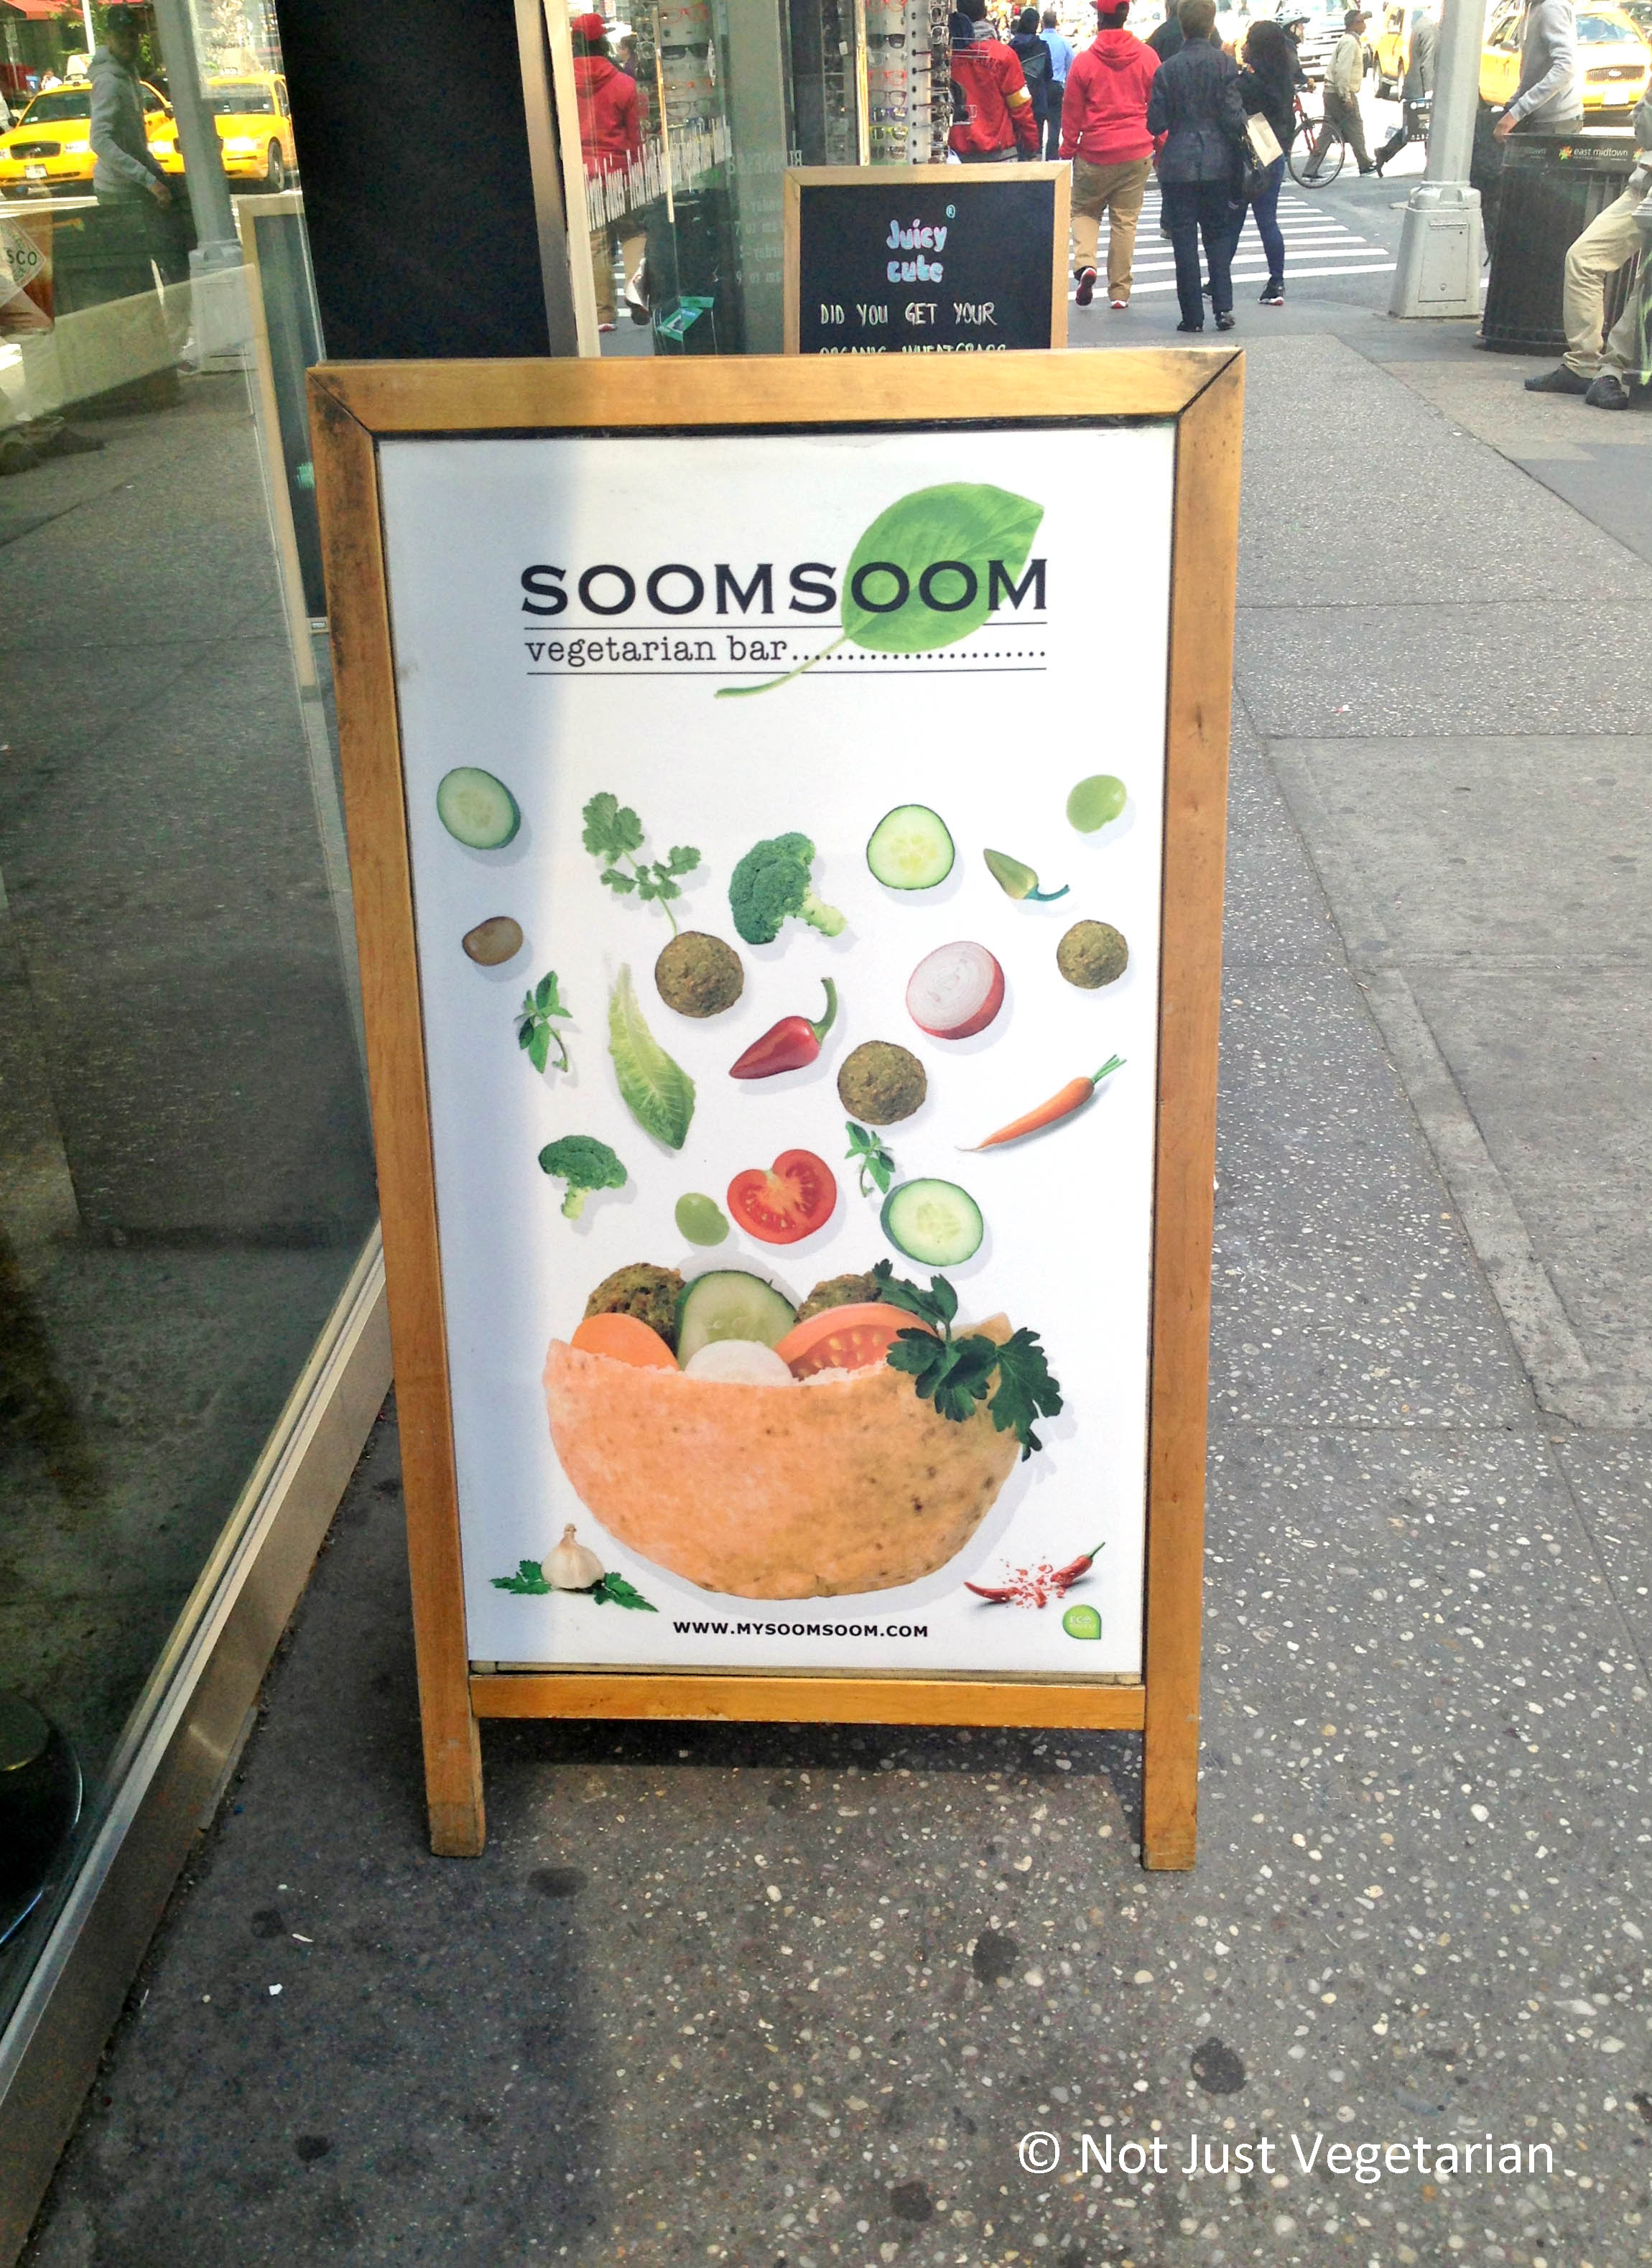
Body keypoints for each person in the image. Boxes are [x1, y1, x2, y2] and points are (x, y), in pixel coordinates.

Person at [1524, 91, 1652, 402]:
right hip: (1643, 186)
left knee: (1646, 283)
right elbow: (1645, 132)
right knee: (1584, 258)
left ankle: (1610, 370)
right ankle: (1583, 365)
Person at [1146, 0, 1245, 331]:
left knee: (1184, 241)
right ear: (1211, 24)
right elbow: (1234, 118)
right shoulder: (1224, 64)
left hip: (1178, 164)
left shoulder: (1167, 70)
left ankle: (1192, 316)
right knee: (1217, 236)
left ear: (1182, 27)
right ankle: (1223, 308)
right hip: (1218, 162)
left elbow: (1155, 122)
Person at [1062, 0, 1159, 308]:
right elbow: (1158, 105)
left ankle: (1085, 264)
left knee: (1084, 211)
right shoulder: (1147, 57)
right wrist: (1160, 142)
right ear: (1125, 16)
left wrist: (1068, 147)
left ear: (1099, 18)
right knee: (1125, 221)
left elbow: (1072, 111)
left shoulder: (1085, 62)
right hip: (1137, 150)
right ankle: (1119, 292)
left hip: (1095, 152)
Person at [570, 11, 646, 333]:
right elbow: (635, 136)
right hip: (618, 171)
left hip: (582, 174)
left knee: (595, 243)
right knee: (632, 233)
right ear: (603, 42)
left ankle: (603, 315)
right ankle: (636, 291)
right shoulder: (624, 84)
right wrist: (640, 171)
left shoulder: (562, 84)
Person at [1228, 16, 1294, 305]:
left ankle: (1217, 279)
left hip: (1248, 152)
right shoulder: (1283, 78)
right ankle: (1276, 281)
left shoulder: (1248, 83)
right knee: (1268, 221)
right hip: (1272, 149)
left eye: (1248, 43)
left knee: (1234, 220)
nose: (1244, 48)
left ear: (1258, 48)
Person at [90, 10, 170, 211]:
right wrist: (149, 180)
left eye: (132, 35)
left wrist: (156, 173)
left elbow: (134, 143)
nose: (128, 41)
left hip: (135, 185)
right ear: (108, 38)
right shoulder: (108, 81)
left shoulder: (129, 75)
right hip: (117, 191)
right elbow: (99, 140)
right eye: (120, 36)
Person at [948, 0, 1040, 159]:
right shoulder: (1004, 55)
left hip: (957, 156)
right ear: (984, 13)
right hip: (999, 155)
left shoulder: (946, 58)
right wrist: (1031, 146)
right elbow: (1021, 107)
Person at [1493, 0, 1579, 141]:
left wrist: (1516, 113)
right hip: (1541, 119)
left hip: (1555, 122)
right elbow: (1532, 73)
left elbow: (1566, 67)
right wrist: (1512, 107)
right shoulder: (1533, 7)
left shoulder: (1552, 7)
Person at [1307, 7, 1373, 176]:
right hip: (1339, 93)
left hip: (1331, 92)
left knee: (1328, 131)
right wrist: (1346, 97)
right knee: (1355, 126)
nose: (1365, 25)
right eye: (1362, 22)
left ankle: (1310, 169)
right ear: (1355, 24)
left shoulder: (1348, 40)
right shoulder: (1350, 43)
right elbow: (1342, 72)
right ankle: (1364, 163)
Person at [1373, 1, 1435, 175]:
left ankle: (1384, 153)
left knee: (1415, 129)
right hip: (1422, 88)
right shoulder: (1429, 29)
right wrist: (1430, 90)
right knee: (1428, 129)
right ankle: (1432, 167)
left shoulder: (1421, 25)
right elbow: (1428, 62)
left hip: (1416, 86)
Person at [1009, 6, 1055, 157]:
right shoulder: (1042, 47)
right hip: (1037, 102)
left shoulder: (1011, 48)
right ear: (1036, 25)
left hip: (1014, 102)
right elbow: (1049, 74)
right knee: (1036, 145)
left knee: (1017, 142)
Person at [1041, 9, 1074, 156]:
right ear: (1056, 23)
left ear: (1042, 22)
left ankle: (1035, 156)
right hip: (1056, 86)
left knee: (1037, 123)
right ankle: (1052, 157)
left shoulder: (1039, 41)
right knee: (1054, 127)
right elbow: (1071, 67)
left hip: (1040, 87)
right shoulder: (1064, 43)